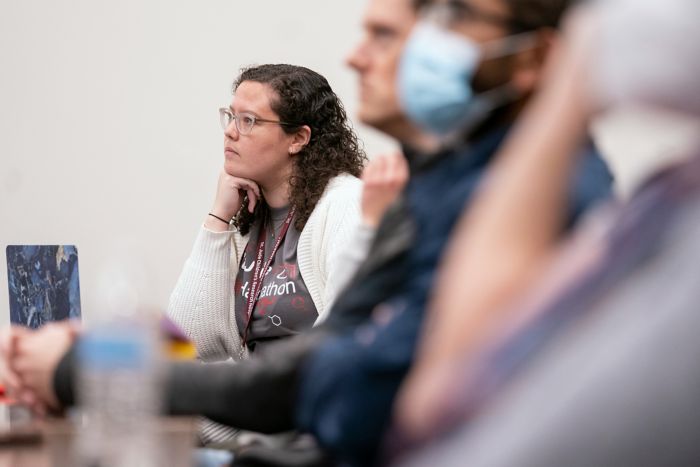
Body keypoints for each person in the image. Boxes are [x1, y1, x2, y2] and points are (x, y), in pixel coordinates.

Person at [1, 0, 614, 465]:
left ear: (299, 138)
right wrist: (215, 224)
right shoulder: (434, 184)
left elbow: (340, 373)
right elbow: (197, 336)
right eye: (229, 117)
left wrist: (90, 372)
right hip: (259, 437)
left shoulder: (366, 204)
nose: (355, 55)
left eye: (385, 35)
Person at [392, 0, 700, 465]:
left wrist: (574, 82)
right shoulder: (664, 194)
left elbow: (447, 402)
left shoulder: (567, 191)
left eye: (456, 15)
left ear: (538, 57)